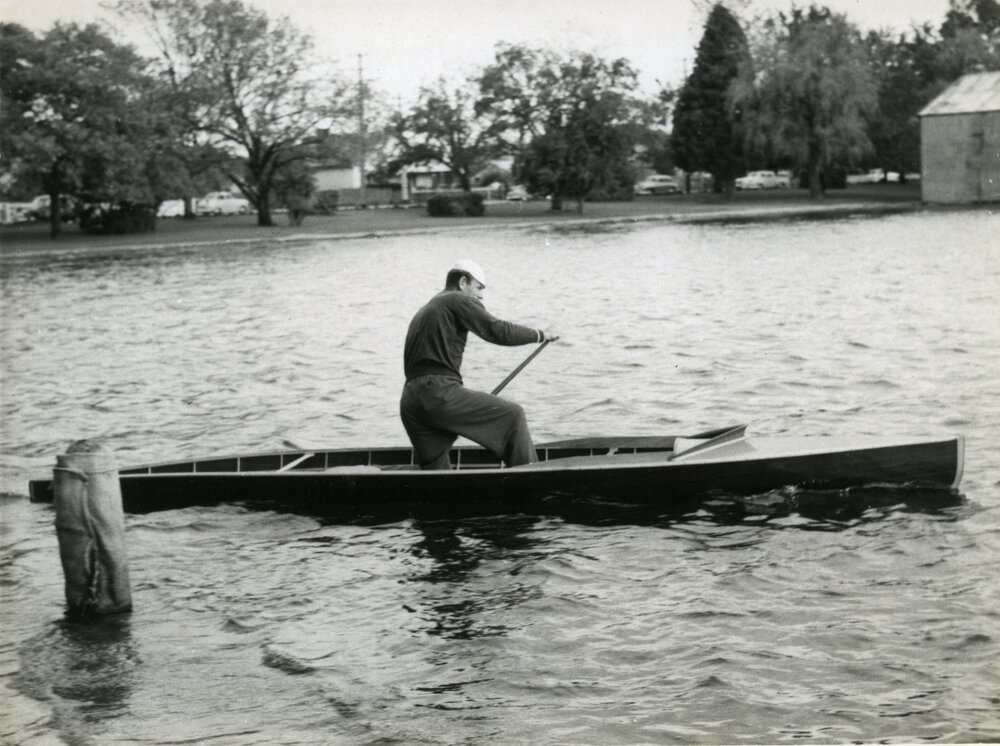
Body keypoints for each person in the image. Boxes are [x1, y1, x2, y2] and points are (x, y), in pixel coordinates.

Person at [400, 259, 554, 470]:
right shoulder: (457, 299)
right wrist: (539, 335)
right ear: (463, 282)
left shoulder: (425, 309)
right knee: (512, 416)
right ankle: (531, 482)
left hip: (410, 403)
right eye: (479, 288)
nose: (481, 296)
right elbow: (497, 330)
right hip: (437, 393)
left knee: (436, 470)